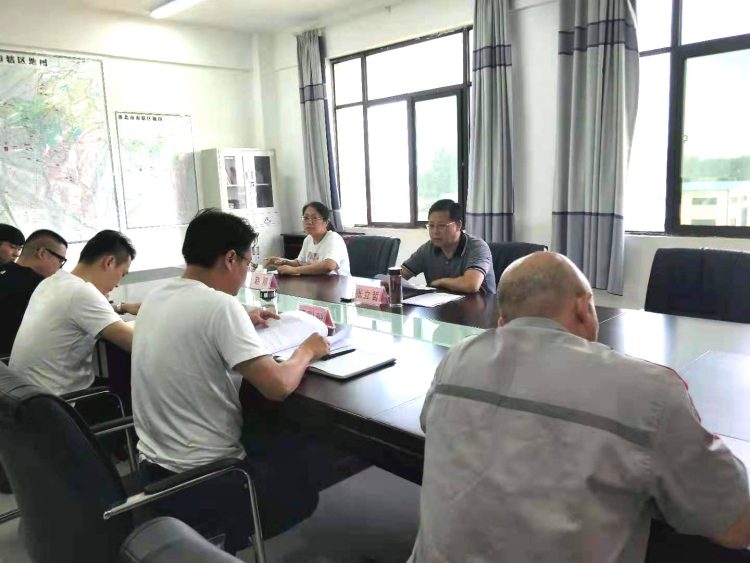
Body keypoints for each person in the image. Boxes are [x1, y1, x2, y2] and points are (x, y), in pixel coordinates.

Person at [410, 251, 750, 562]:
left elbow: (430, 424)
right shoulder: (648, 392)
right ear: (584, 308)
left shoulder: (456, 359)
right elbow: (736, 525)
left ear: (502, 322)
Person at [131, 209, 330, 553]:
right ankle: (228, 540)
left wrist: (243, 318)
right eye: (248, 263)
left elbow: (195, 330)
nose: (246, 273)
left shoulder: (157, 297)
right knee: (306, 468)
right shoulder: (220, 307)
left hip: (154, 468)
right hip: (210, 479)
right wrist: (307, 350)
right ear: (230, 259)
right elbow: (278, 387)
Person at [10, 230, 139, 395]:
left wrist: (122, 307)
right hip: (61, 402)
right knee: (126, 387)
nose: (118, 284)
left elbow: (74, 310)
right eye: (122, 274)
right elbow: (135, 343)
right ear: (109, 262)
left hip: (25, 397)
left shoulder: (52, 282)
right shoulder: (82, 292)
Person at [401, 199, 495, 294]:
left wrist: (440, 282)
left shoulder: (478, 247)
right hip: (440, 303)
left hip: (479, 303)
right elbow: (400, 275)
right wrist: (393, 281)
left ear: (458, 225)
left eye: (441, 226)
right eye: (431, 225)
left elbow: (471, 285)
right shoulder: (427, 248)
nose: (435, 231)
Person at [0, 229, 68, 357]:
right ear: (42, 253)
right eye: (60, 261)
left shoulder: (4, 271)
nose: (59, 267)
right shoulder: (43, 288)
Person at [265, 201, 350, 276]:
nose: (309, 222)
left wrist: (294, 270)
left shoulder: (333, 238)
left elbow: (329, 265)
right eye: (306, 218)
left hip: (337, 284)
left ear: (326, 222)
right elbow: (299, 263)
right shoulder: (308, 239)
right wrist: (283, 261)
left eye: (314, 218)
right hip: (317, 284)